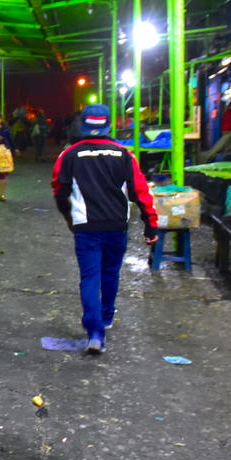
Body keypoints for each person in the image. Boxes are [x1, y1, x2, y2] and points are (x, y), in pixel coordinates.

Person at [51, 104, 158, 355]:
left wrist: (68, 218)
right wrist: (150, 223)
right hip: (117, 225)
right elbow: (141, 192)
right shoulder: (124, 155)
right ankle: (107, 316)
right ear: (109, 124)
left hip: (86, 227)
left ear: (83, 124)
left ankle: (95, 332)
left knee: (90, 277)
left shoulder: (68, 155)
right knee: (111, 272)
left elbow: (60, 191)